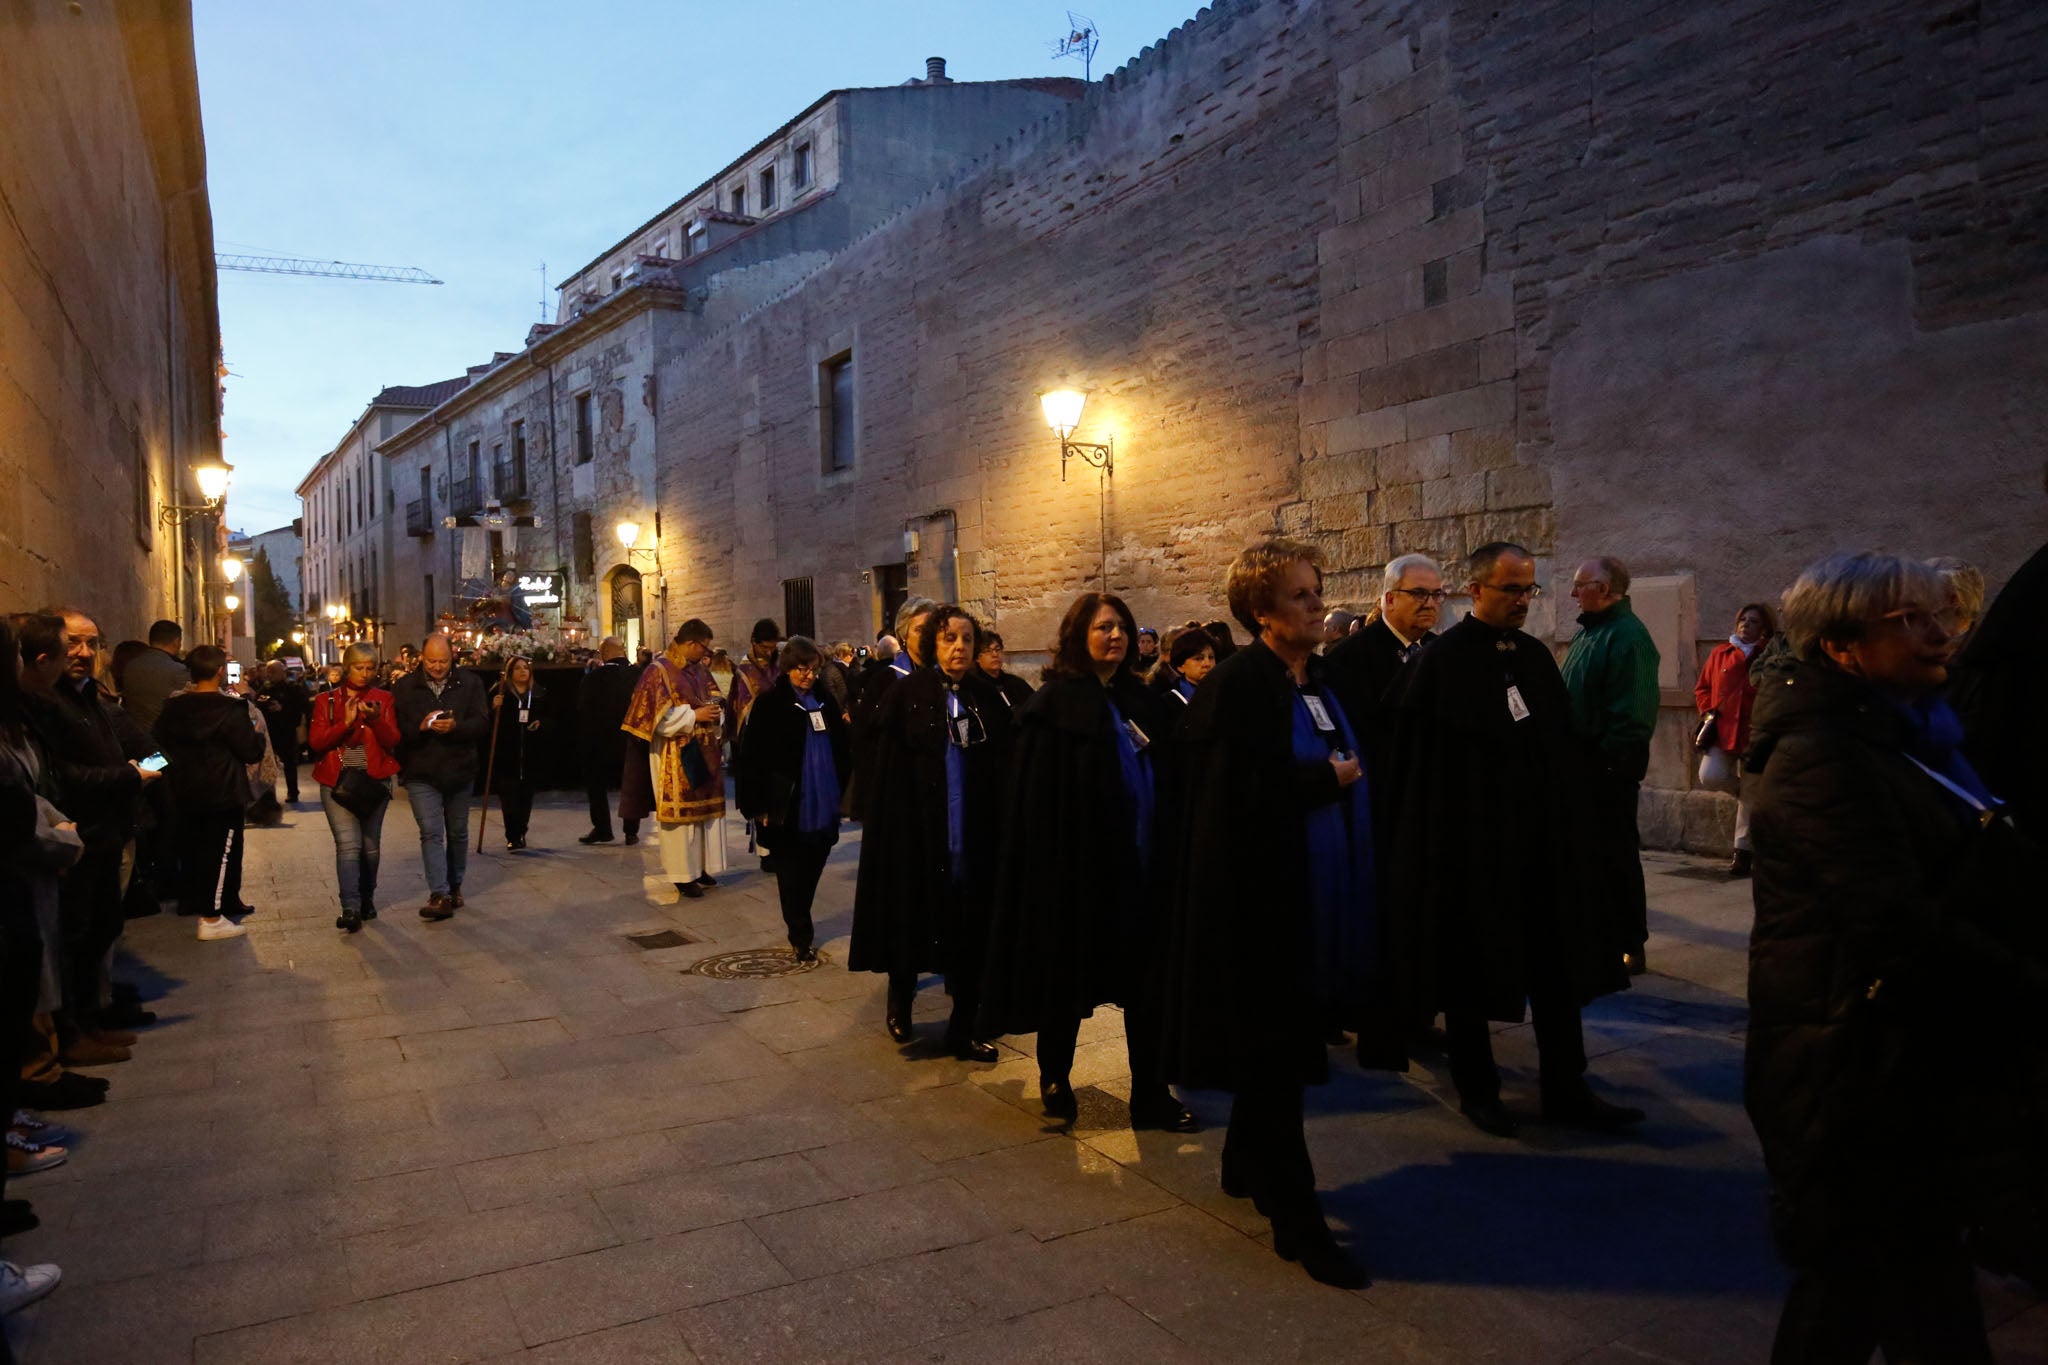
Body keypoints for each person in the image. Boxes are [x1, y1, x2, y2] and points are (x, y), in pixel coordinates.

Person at [1744, 551, 2048, 1363]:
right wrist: (2031, 985)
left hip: (1904, 1065)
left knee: (1881, 1283)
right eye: (1910, 619)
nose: (1940, 632)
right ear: (1843, 647)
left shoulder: (1914, 735)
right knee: (1875, 1280)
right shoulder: (1821, 756)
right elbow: (1896, 921)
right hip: (1854, 1065)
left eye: (1938, 613)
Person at [1162, 540, 1373, 1288]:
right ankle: (1297, 1219)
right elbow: (1232, 801)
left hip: (1316, 894)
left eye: (1318, 591)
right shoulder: (1239, 684)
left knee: (1278, 1054)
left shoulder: (1312, 676)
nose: (1318, 604)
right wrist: (1322, 780)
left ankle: (1243, 1162)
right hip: (1260, 909)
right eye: (1301, 595)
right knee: (1277, 1059)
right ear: (1261, 612)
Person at [1379, 542, 1640, 1139]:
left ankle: (1567, 1087)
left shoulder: (1532, 656)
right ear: (1476, 590)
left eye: (1529, 589)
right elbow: (1419, 772)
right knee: (1469, 974)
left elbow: (1558, 745)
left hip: (1539, 848)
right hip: (1471, 851)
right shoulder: (1441, 662)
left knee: (1555, 970)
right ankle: (1479, 1090)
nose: (1523, 600)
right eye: (1511, 589)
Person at [981, 593, 1196, 1133]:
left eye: (1121, 626)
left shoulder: (1143, 701)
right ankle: (1055, 1075)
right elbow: (1036, 803)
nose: (1116, 635)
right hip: (1078, 872)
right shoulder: (1052, 708)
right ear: (1078, 636)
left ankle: (1150, 1093)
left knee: (1147, 988)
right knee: (1067, 977)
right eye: (1103, 627)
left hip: (1142, 871)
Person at [848, 604, 1012, 1060]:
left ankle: (964, 1027)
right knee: (913, 918)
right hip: (920, 833)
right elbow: (887, 769)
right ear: (932, 644)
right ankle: (901, 1001)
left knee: (970, 932)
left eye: (967, 639)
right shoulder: (908, 693)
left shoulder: (985, 696)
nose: (959, 647)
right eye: (949, 638)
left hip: (971, 835)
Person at [30, 610, 154, 1060]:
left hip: (108, 832)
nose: (83, 653)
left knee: (102, 928)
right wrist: (129, 776)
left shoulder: (93, 700)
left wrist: (148, 769)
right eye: (73, 643)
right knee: (75, 935)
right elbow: (66, 777)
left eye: (92, 643)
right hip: (79, 836)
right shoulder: (50, 703)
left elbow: (154, 751)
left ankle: (90, 1020)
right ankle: (73, 1032)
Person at [1561, 556, 1661, 976]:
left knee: (1615, 855)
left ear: (1603, 589)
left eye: (1580, 585)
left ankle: (1628, 942)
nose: (1573, 593)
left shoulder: (1628, 638)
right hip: (1582, 765)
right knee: (1587, 857)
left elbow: (1634, 714)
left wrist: (1605, 762)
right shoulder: (1591, 632)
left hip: (1606, 767)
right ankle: (1595, 935)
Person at [734, 638, 849, 961]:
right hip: (786, 801)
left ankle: (801, 912)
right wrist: (757, 805)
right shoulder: (770, 703)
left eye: (813, 669)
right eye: (802, 669)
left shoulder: (824, 700)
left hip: (823, 796)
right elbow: (752, 758)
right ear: (787, 668)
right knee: (789, 868)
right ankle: (800, 932)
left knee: (815, 861)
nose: (808, 675)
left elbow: (841, 746)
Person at [153, 645, 267, 941]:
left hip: (183, 789)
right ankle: (212, 916)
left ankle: (198, 901)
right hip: (223, 790)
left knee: (191, 848)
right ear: (219, 671)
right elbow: (250, 750)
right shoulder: (231, 709)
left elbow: (157, 744)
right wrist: (255, 730)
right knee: (223, 853)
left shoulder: (173, 707)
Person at [620, 620, 729, 899]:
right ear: (691, 643)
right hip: (675, 753)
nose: (705, 654)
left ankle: (701, 867)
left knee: (704, 816)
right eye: (703, 647)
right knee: (682, 818)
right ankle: (682, 875)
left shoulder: (699, 670)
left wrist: (716, 711)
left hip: (706, 750)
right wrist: (694, 715)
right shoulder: (658, 671)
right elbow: (655, 718)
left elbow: (715, 697)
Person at [391, 634, 490, 921]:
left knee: (457, 832)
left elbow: (482, 723)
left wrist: (456, 727)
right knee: (431, 832)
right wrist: (421, 727)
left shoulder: (469, 683)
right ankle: (439, 894)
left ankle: (454, 884)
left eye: (443, 661)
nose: (437, 667)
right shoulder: (405, 687)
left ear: (452, 658)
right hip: (421, 772)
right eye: (432, 661)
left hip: (459, 769)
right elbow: (396, 730)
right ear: (422, 657)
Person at [309, 644, 399, 933]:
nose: (365, 673)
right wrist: (345, 724)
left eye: (370, 668)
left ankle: (366, 897)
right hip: (338, 780)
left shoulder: (383, 699)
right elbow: (316, 741)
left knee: (370, 847)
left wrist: (375, 720)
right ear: (347, 667)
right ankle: (350, 907)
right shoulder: (326, 700)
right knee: (348, 845)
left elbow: (393, 740)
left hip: (374, 779)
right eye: (359, 668)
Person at [1323, 553, 1446, 762]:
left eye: (1436, 595)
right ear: (1390, 600)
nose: (1430, 603)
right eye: (1419, 594)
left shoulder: (1441, 650)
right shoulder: (1349, 657)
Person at [1693, 602, 1775, 876]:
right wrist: (1708, 711)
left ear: (1764, 628)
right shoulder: (1721, 652)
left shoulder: (1769, 655)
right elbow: (1703, 687)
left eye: (1753, 621)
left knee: (1751, 791)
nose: (1746, 625)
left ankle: (1742, 853)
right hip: (1724, 729)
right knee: (1710, 775)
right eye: (1743, 620)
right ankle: (1750, 796)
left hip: (1754, 731)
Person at [850, 598, 934, 820]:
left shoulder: (945, 677)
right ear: (904, 635)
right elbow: (866, 740)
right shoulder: (885, 681)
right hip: (898, 787)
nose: (926, 635)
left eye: (931, 629)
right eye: (919, 630)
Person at [576, 637, 643, 845]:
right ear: (623, 651)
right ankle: (631, 831)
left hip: (600, 743)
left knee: (596, 786)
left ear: (604, 653)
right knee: (631, 786)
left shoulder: (593, 678)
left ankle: (602, 828)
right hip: (632, 741)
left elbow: (583, 711)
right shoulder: (639, 675)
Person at [488, 656, 544, 851]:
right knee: (509, 798)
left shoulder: (537, 693)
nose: (522, 672)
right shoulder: (500, 692)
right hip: (507, 755)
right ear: (510, 673)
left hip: (529, 755)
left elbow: (550, 717)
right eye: (518, 668)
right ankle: (512, 835)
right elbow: (488, 722)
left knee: (525, 798)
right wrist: (494, 707)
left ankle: (521, 831)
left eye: (525, 668)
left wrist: (540, 723)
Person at [254, 660, 311, 804]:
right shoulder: (265, 688)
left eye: (273, 672)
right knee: (267, 763)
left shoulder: (293, 688)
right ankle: (268, 794)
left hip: (286, 730)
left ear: (282, 672)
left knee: (289, 763)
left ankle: (293, 791)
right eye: (268, 671)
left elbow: (302, 707)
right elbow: (256, 704)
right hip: (269, 730)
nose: (269, 675)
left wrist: (282, 708)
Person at [119, 619, 185, 732]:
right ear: (176, 641)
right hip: (165, 734)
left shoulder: (131, 665)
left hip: (136, 732)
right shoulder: (178, 670)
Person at [727, 618, 781, 739]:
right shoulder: (744, 671)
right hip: (756, 729)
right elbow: (741, 708)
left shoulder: (779, 664)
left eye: (772, 648)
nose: (769, 653)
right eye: (764, 648)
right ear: (753, 642)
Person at [1150, 626, 1216, 718]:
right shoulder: (1167, 703)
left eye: (1211, 657)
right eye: (1198, 658)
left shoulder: (1224, 693)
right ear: (1181, 666)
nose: (1207, 664)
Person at [974, 630, 1034, 712]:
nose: (995, 654)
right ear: (977, 658)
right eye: (988, 651)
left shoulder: (1016, 683)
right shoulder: (975, 688)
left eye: (997, 649)